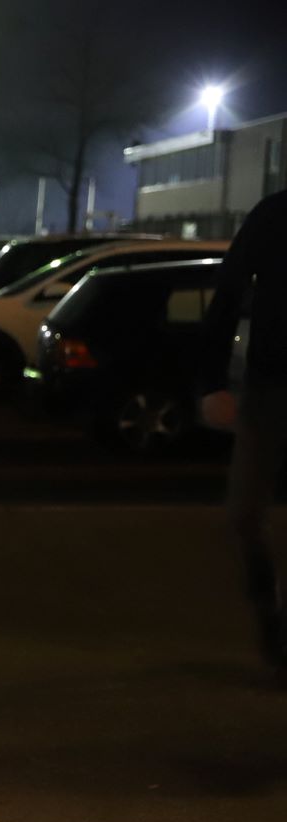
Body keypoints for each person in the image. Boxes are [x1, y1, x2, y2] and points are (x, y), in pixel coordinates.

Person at [201, 188, 287, 673]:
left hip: (268, 384)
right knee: (245, 512)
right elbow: (229, 291)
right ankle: (266, 604)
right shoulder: (274, 215)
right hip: (270, 383)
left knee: (247, 510)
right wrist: (212, 380)